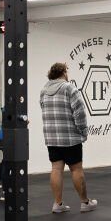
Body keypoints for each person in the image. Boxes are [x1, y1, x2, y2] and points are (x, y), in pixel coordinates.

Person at [39, 62, 96, 213]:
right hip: (70, 138)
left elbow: (42, 108)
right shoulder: (69, 88)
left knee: (56, 169)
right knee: (76, 169)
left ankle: (57, 204)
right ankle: (85, 203)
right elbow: (80, 113)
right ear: (63, 72)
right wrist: (83, 131)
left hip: (52, 137)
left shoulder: (44, 90)